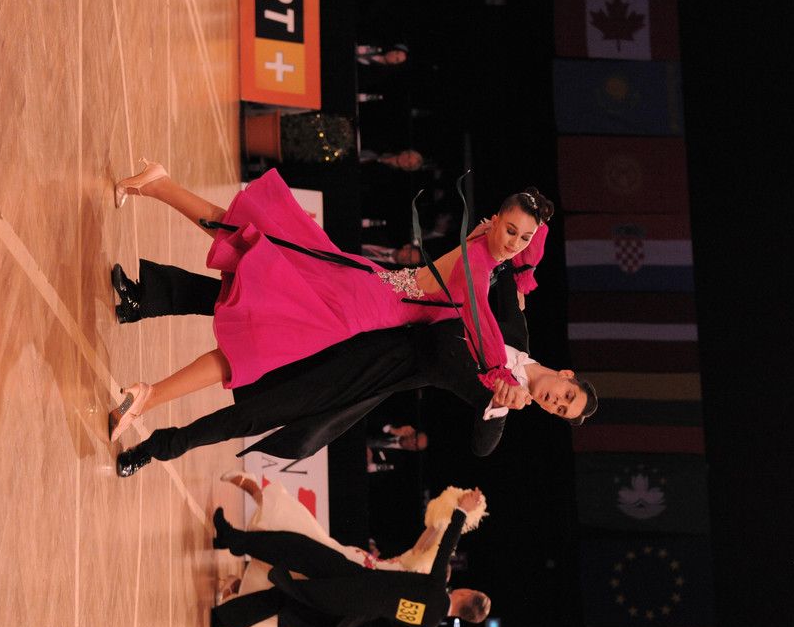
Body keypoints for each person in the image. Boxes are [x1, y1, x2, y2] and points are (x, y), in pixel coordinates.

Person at [107, 161, 550, 443]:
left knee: (254, 243)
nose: (515, 243)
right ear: (496, 220)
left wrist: (523, 275)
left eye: (523, 237)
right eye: (511, 231)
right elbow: (484, 329)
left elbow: (537, 236)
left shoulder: (486, 244)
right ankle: (147, 396)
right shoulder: (478, 268)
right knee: (254, 350)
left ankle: (160, 184)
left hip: (364, 283)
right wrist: (501, 378)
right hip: (352, 310)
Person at [111, 260, 598, 476]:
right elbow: (501, 262)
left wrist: (497, 406)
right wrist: (525, 248)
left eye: (559, 411)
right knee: (263, 301)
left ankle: (158, 447)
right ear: (567, 376)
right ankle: (146, 298)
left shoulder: (502, 401)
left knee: (255, 414)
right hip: (368, 314)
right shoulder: (516, 331)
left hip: (361, 372)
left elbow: (483, 447)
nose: (556, 402)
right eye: (566, 397)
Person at [222, 472, 488, 627]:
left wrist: (460, 511)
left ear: (465, 592)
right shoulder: (425, 609)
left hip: (358, 582)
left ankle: (236, 584)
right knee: (300, 547)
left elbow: (436, 544)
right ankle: (249, 507)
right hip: (357, 571)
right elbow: (430, 538)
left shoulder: (430, 586)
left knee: (297, 564)